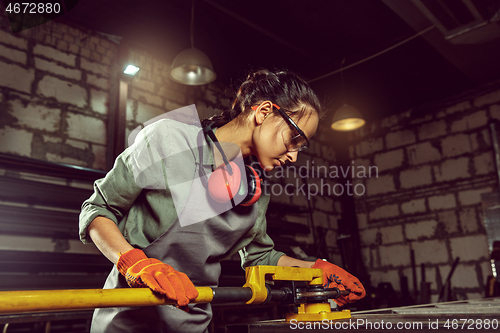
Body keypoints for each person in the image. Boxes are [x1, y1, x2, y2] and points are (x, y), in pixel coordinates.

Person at [79, 69, 365, 333]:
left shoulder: (256, 192)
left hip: (192, 325)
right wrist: (133, 263)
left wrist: (315, 270)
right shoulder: (167, 140)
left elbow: (260, 258)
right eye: (294, 138)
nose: (294, 156)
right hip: (127, 321)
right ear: (264, 112)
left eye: (301, 147)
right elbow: (97, 210)